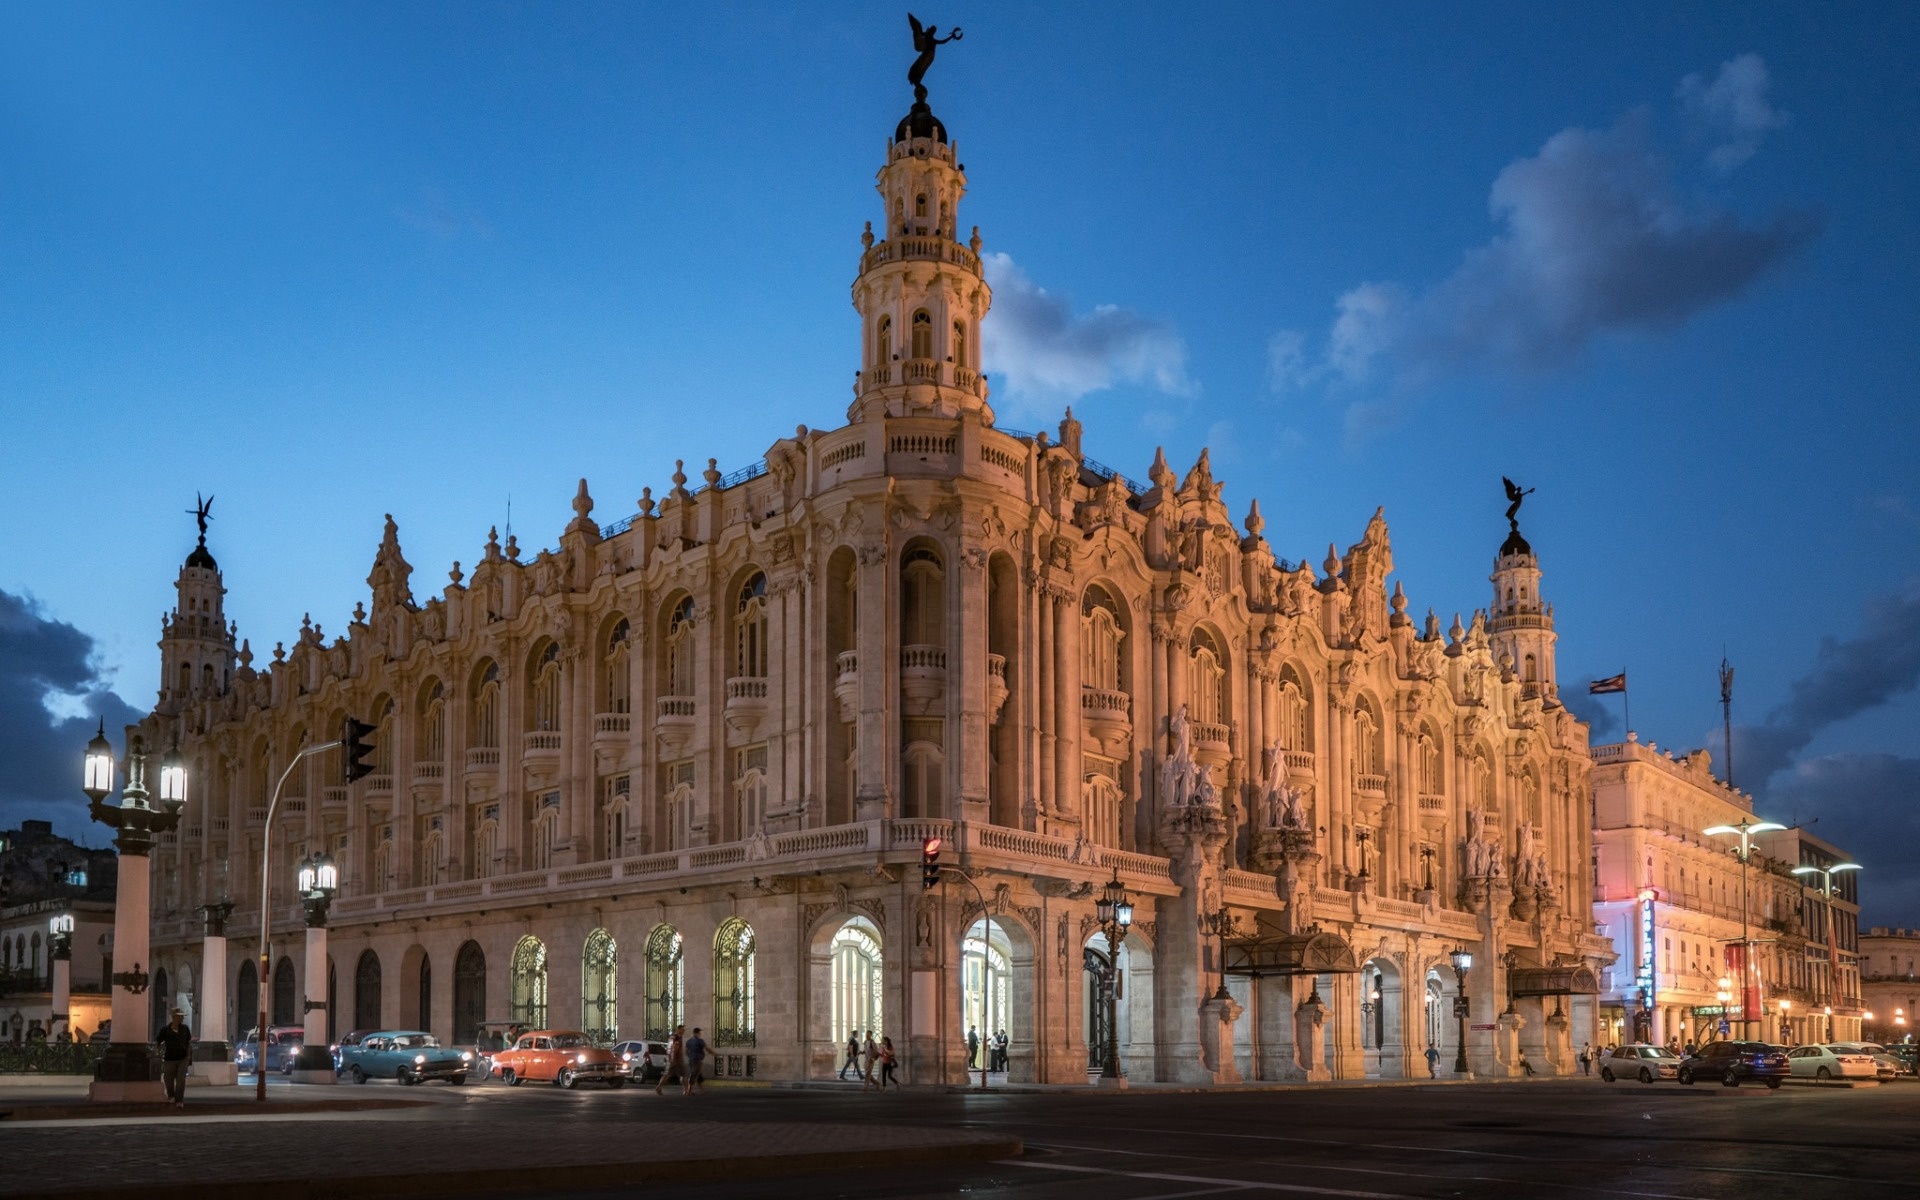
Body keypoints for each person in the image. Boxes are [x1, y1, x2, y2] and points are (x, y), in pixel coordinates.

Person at [155, 1008, 194, 1109]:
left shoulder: (185, 1029)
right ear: (173, 1017)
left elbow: (188, 1042)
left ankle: (179, 1100)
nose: (181, 1019)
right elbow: (158, 1042)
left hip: (183, 1058)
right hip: (169, 1058)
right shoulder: (165, 1030)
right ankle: (171, 1095)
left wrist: (188, 1055)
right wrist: (158, 1052)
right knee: (168, 1078)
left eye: (182, 1017)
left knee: (181, 1079)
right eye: (179, 1016)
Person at [655, 1025, 685, 1095]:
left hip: (672, 1059)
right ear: (678, 1029)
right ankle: (687, 1090)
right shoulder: (676, 1038)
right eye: (682, 1030)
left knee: (667, 1074)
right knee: (684, 1074)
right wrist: (674, 1059)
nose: (684, 1031)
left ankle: (659, 1087)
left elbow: (670, 1048)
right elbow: (674, 1048)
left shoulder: (674, 1037)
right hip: (675, 1059)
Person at [683, 1027, 708, 1094]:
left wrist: (690, 1056)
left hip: (691, 1060)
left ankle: (702, 1090)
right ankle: (689, 1090)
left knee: (698, 1074)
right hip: (697, 1060)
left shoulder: (689, 1041)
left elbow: (685, 1051)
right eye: (700, 1033)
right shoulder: (700, 1041)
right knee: (694, 1074)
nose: (700, 1034)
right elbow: (707, 1048)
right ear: (697, 1033)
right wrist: (714, 1053)